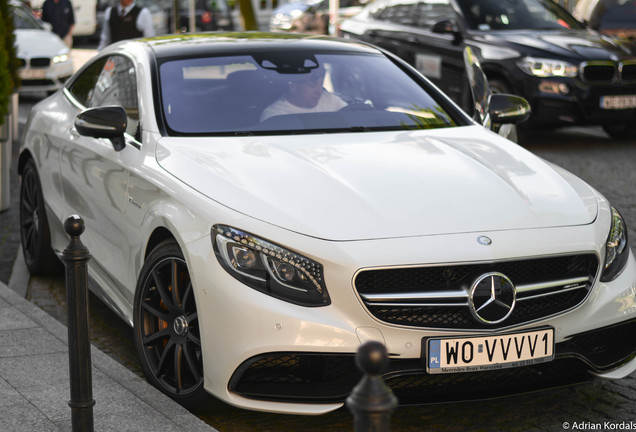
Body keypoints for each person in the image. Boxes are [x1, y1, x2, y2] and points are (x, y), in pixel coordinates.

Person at [260, 68, 346, 121]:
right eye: (312, 86)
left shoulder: (331, 100)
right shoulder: (274, 116)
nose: (319, 92)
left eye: (321, 84)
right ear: (293, 86)